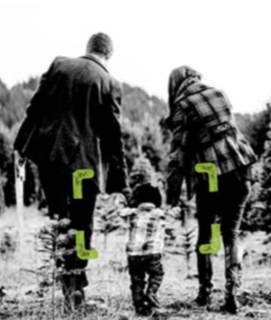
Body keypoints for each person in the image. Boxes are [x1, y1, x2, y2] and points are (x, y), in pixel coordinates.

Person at [12, 32, 127, 308]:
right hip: (82, 168)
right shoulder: (109, 82)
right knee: (82, 226)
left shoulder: (59, 65)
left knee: (59, 221)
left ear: (87, 48)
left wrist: (20, 147)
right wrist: (120, 180)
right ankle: (76, 289)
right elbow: (112, 135)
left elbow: (34, 108)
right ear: (109, 55)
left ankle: (67, 285)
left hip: (50, 160)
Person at [162, 66, 258, 313]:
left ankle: (205, 294)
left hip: (212, 176)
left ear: (175, 85)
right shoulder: (219, 93)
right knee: (231, 234)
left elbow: (178, 156)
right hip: (241, 170)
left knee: (206, 236)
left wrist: (171, 197)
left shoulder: (182, 105)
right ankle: (232, 293)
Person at [118, 183, 175, 316]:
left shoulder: (132, 212)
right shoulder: (160, 214)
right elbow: (170, 228)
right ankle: (151, 292)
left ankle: (139, 306)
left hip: (134, 254)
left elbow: (120, 212)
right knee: (157, 274)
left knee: (136, 280)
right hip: (153, 253)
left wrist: (126, 204)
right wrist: (171, 234)